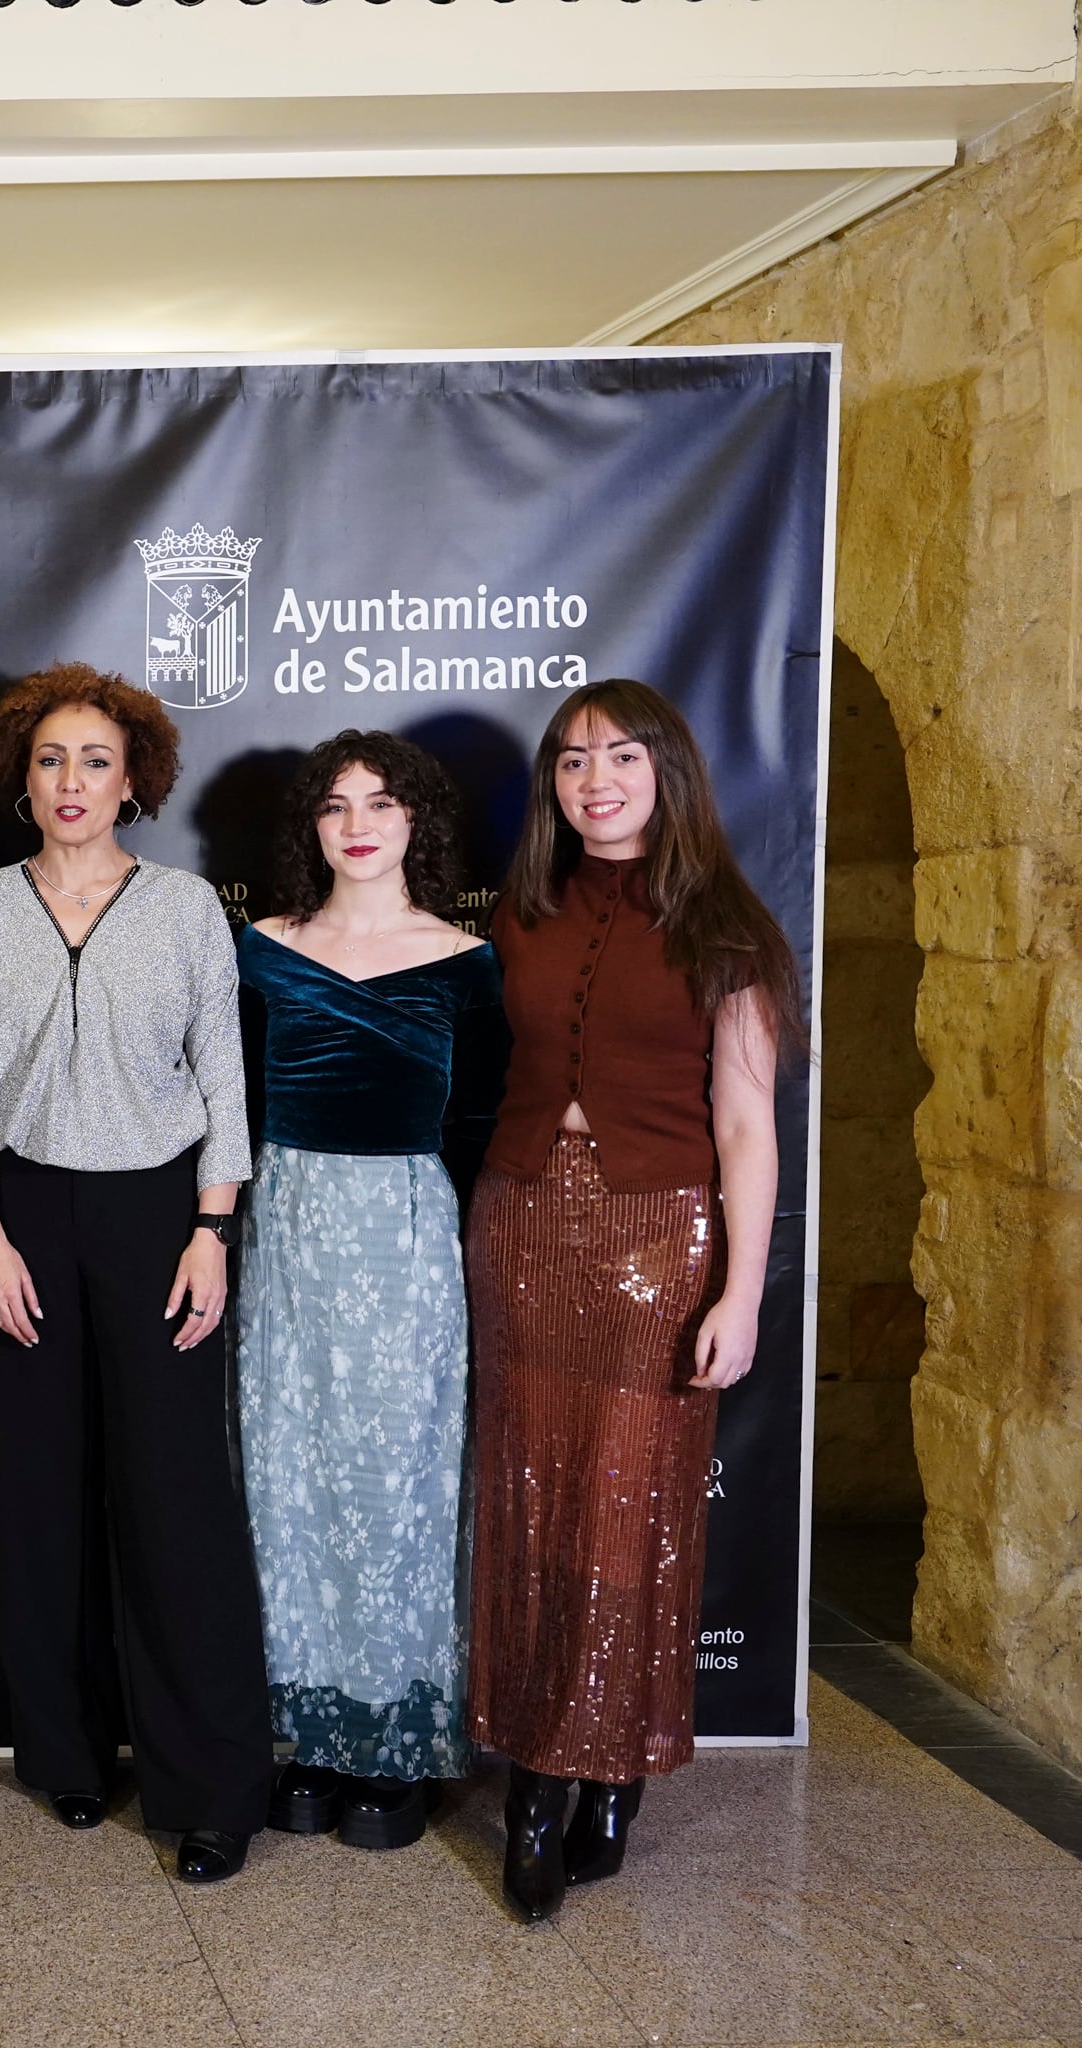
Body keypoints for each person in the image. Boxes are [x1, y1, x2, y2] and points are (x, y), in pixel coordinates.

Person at [0, 662, 267, 1885]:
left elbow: (225, 1075)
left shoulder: (183, 910)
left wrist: (210, 1229)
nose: (74, 782)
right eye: (53, 759)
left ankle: (212, 1783)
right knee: (43, 1489)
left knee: (174, 1497)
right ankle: (66, 1756)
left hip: (158, 1214)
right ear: (23, 776)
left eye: (98, 762)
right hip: (22, 1218)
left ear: (137, 782)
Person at [467, 676, 799, 1922]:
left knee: (631, 1515)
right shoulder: (524, 911)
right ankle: (540, 1767)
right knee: (531, 1502)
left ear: (668, 768)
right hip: (518, 1228)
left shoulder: (727, 924)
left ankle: (585, 1775)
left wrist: (745, 1291)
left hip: (660, 1240)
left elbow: (749, 1125)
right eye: (569, 760)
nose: (593, 779)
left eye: (618, 756)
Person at [233, 730, 507, 1854]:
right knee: (284, 1475)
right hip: (286, 1226)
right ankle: (298, 1732)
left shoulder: (466, 961)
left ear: (416, 825)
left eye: (383, 802)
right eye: (336, 802)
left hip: (406, 1240)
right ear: (310, 824)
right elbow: (223, 1110)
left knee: (397, 1484)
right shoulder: (256, 949)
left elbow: (483, 1128)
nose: (358, 821)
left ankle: (387, 1747)